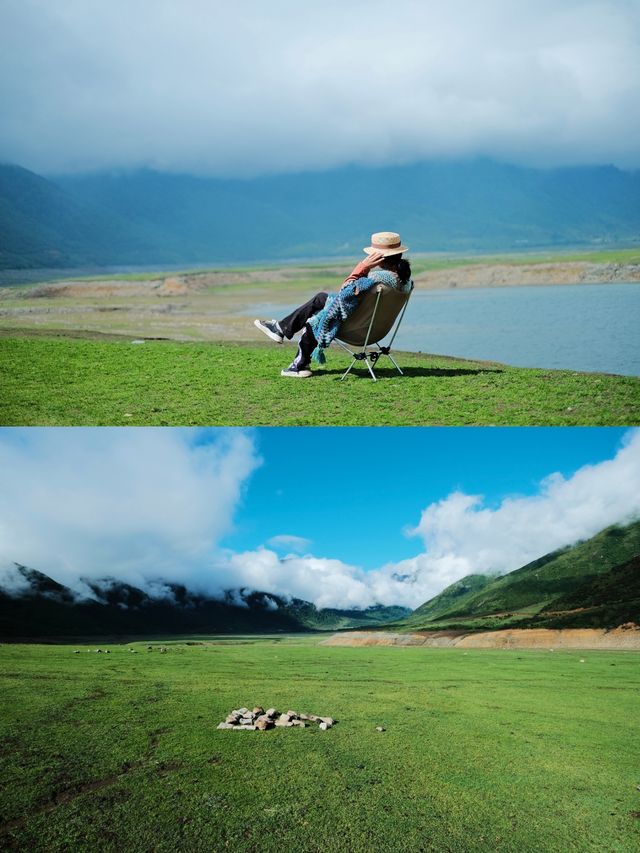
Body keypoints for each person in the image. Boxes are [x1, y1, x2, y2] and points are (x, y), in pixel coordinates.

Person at [254, 232, 412, 377]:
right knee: (322, 302)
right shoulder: (405, 283)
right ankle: (282, 329)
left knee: (318, 315)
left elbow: (345, 291)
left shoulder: (377, 279)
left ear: (379, 258)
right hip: (377, 331)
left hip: (357, 331)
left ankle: (298, 363)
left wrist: (363, 266)